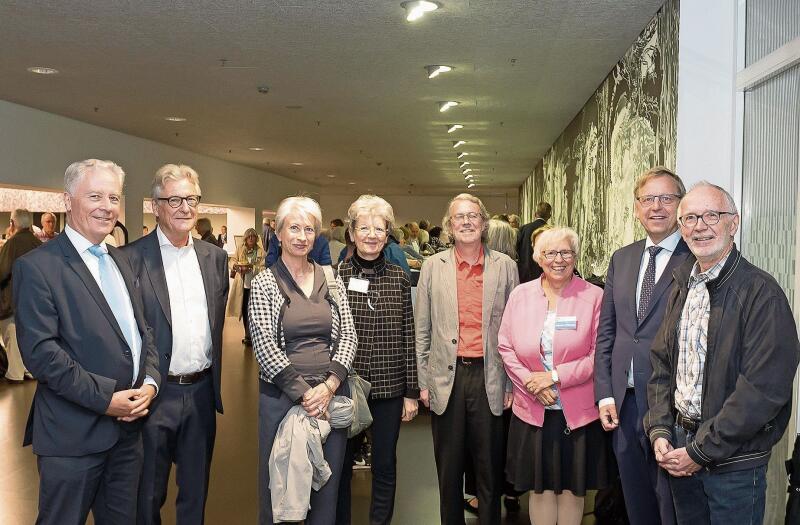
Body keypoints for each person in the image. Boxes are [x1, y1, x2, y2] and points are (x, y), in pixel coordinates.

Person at [13, 159, 160, 524]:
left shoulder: (122, 260)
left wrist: (152, 383)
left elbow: (145, 333)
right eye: (94, 195)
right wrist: (105, 400)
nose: (107, 206)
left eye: (113, 197)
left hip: (128, 435)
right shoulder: (38, 267)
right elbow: (42, 354)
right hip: (72, 439)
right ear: (67, 200)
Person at [645, 182, 800, 524]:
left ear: (734, 223)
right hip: (679, 450)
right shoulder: (683, 285)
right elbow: (661, 364)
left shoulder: (762, 294)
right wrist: (660, 430)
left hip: (733, 463)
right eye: (689, 219)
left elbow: (762, 390)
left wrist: (701, 451)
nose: (700, 226)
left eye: (711, 215)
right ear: (681, 228)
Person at [124, 164, 229, 523]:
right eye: (174, 199)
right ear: (156, 206)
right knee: (147, 493)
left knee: (196, 491)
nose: (185, 207)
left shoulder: (214, 258)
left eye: (191, 199)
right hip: (155, 394)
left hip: (200, 393)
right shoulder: (131, 259)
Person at [249, 196, 357, 525]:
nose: (301, 236)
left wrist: (329, 387)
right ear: (278, 233)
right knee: (280, 488)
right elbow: (264, 346)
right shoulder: (263, 283)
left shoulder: (331, 277)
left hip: (332, 398)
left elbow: (349, 336)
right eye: (293, 228)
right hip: (282, 400)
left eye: (309, 229)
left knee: (327, 490)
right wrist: (306, 394)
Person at [593, 166, 688, 525]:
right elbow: (609, 332)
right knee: (635, 500)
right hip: (624, 405)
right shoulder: (623, 258)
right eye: (648, 199)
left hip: (672, 407)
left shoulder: (694, 260)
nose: (657, 207)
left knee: (671, 503)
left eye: (667, 198)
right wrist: (605, 393)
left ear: (679, 205)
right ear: (636, 207)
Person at [499, 227, 613, 525]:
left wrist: (553, 376)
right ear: (539, 257)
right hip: (532, 409)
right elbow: (505, 345)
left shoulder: (594, 297)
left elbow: (598, 355)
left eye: (566, 252)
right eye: (551, 253)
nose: (558, 260)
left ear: (575, 257)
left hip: (577, 412)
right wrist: (530, 382)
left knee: (572, 491)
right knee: (541, 489)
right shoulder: (520, 295)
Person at [416, 193, 518, 525]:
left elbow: (513, 330)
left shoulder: (506, 267)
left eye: (473, 216)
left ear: (484, 223)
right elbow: (422, 329)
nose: (466, 222)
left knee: (489, 468)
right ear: (448, 225)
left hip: (490, 376)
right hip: (447, 377)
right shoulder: (433, 267)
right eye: (459, 217)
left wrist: (509, 383)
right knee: (448, 469)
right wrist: (423, 381)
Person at [335, 195, 418, 525]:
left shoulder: (399, 277)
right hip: (345, 387)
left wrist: (411, 392)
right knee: (340, 466)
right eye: (364, 227)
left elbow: (408, 336)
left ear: (388, 234)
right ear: (352, 233)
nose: (371, 234)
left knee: (384, 465)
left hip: (389, 388)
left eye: (379, 228)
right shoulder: (336, 276)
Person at [464, 216, 521, 513]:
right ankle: (509, 492)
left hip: (499, 369)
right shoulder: (518, 272)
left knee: (481, 443)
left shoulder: (509, 272)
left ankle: (480, 494)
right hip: (501, 370)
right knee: (494, 441)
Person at [0, 209, 42, 383]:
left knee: (12, 337)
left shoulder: (12, 243)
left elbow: (2, 272)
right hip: (35, 302)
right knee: (30, 338)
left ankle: (15, 373)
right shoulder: (38, 243)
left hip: (12, 301)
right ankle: (29, 370)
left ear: (12, 223)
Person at [228, 228, 265, 346]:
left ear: (256, 238)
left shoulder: (260, 251)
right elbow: (233, 260)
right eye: (249, 237)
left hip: (255, 285)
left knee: (254, 311)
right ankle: (247, 335)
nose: (251, 239)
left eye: (253, 236)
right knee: (244, 310)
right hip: (242, 285)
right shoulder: (240, 248)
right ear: (245, 238)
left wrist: (252, 268)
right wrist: (235, 266)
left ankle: (255, 335)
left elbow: (264, 267)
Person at [517, 202, 552, 283]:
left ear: (535, 214)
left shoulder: (523, 229)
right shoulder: (551, 231)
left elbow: (517, 250)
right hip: (543, 273)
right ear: (549, 216)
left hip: (524, 272)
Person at [266, 226, 332, 267]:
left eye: (308, 229)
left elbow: (326, 269)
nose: (302, 238)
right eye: (294, 227)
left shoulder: (321, 241)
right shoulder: (322, 241)